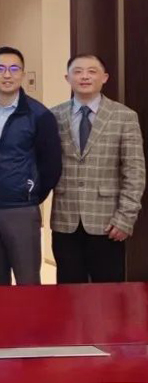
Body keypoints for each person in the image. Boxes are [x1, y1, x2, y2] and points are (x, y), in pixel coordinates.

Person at [0, 46, 62, 285]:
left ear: (22, 73)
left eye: (13, 69)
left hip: (21, 209)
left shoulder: (39, 115)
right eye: (0, 68)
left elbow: (51, 165)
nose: (7, 75)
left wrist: (31, 193)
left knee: (27, 281)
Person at [50, 54, 145, 283]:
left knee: (108, 292)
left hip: (108, 222)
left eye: (92, 71)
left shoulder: (124, 117)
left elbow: (134, 171)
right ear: (67, 78)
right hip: (65, 219)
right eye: (78, 71)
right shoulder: (53, 116)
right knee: (68, 290)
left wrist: (125, 218)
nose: (84, 76)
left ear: (105, 77)